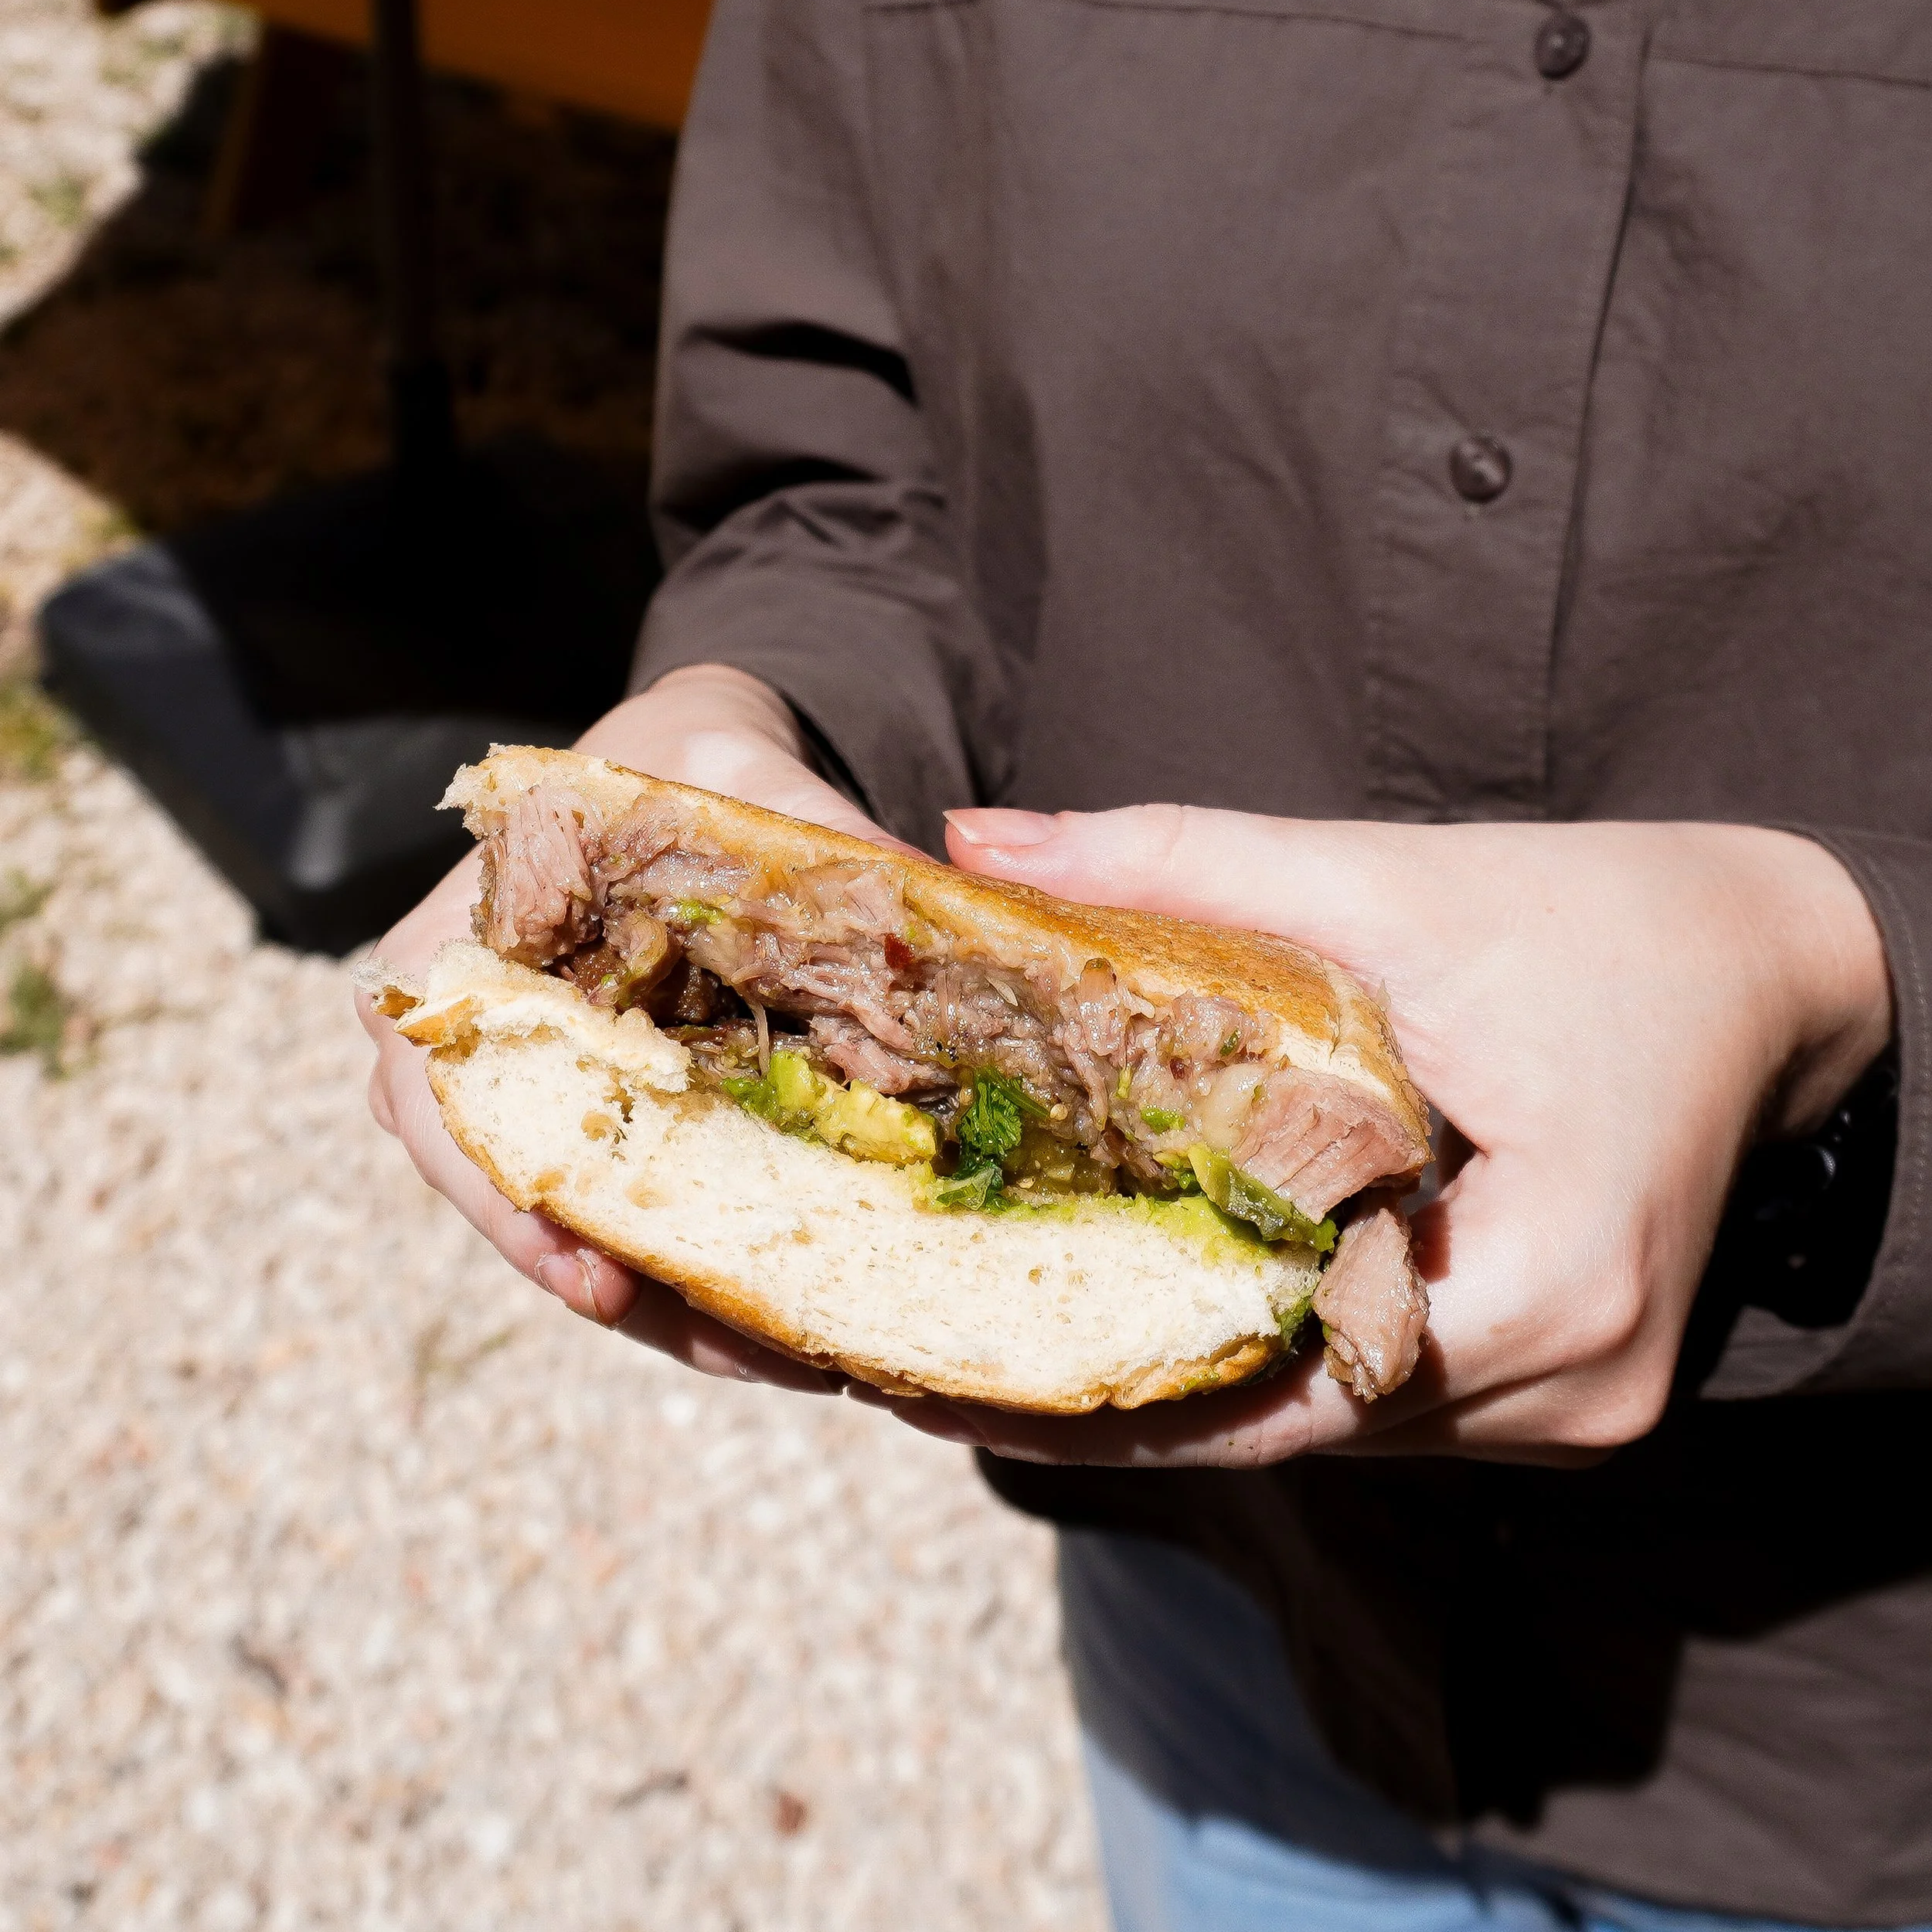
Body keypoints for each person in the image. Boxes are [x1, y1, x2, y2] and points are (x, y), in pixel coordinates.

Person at [360, 2, 1932, 1926]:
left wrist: (1834, 974)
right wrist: (740, 725)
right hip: (1229, 1628)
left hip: (1871, 1713)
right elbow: (845, 477)